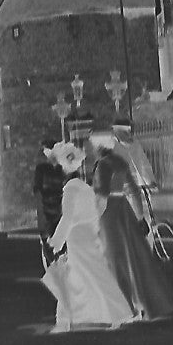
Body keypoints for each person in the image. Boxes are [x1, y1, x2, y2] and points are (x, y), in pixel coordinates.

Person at [44, 142, 135, 332]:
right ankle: (67, 319)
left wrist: (56, 241)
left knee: (80, 277)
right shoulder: (84, 187)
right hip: (88, 235)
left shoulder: (70, 189)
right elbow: (93, 213)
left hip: (78, 238)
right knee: (82, 277)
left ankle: (66, 320)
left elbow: (67, 217)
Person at [91, 129, 173, 321]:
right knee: (133, 258)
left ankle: (125, 306)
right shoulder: (120, 162)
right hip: (124, 210)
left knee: (115, 259)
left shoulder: (102, 166)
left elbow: (102, 195)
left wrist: (93, 219)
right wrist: (139, 217)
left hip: (109, 214)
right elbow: (133, 191)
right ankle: (141, 303)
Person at [31, 138, 67, 269]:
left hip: (59, 210)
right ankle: (55, 264)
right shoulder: (42, 169)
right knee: (49, 242)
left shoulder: (62, 168)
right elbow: (38, 191)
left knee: (58, 241)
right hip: (49, 211)